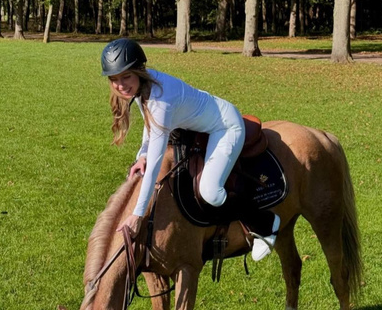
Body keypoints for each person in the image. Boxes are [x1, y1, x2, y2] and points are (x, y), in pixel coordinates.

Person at [101, 38, 279, 261]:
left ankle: (266, 224)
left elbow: (156, 164)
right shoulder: (142, 88)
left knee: (211, 192)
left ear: (139, 71)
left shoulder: (160, 101)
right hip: (202, 124)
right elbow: (150, 125)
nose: (120, 85)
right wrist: (142, 155)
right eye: (114, 79)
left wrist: (138, 215)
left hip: (226, 126)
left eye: (126, 76)